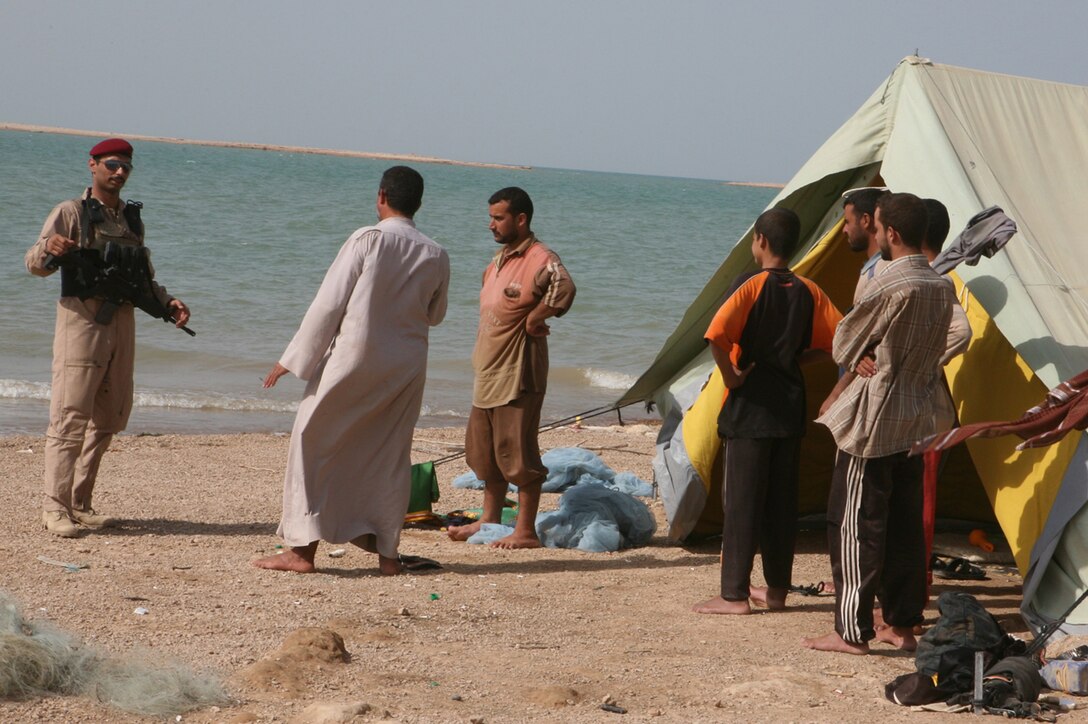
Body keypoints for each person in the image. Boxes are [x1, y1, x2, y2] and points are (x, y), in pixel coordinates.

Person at [253, 166, 450, 575]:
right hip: (406, 364)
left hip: (355, 357)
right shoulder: (436, 253)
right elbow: (436, 314)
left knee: (311, 440)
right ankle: (388, 556)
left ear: (381, 196)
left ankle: (301, 551)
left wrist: (291, 359)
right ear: (418, 203)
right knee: (388, 452)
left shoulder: (369, 238)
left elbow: (330, 303)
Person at [803, 192, 955, 655]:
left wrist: (862, 356)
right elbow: (953, 335)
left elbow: (844, 338)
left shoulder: (889, 283)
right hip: (919, 413)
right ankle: (902, 624)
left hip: (875, 416)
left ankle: (850, 630)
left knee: (855, 524)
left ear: (890, 232)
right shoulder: (941, 285)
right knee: (907, 524)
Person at [25, 138, 191, 538]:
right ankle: (55, 508)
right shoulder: (71, 212)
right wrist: (51, 247)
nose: (119, 173)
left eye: (125, 167)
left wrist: (167, 301)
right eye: (112, 165)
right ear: (93, 165)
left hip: (121, 322)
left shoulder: (130, 220)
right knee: (70, 415)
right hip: (81, 322)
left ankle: (79, 503)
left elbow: (141, 275)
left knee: (111, 416)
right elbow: (34, 263)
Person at [692, 208, 842, 615]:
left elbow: (716, 335)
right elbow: (839, 341)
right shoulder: (810, 289)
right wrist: (794, 361)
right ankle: (776, 592)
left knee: (742, 502)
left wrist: (733, 377)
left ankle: (734, 596)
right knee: (780, 504)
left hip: (751, 407)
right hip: (789, 408)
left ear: (760, 240)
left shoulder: (752, 284)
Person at [446, 187, 576, 549]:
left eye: (498, 217)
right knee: (483, 453)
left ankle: (525, 531)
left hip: (519, 372)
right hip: (487, 372)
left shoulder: (540, 257)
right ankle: (488, 521)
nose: (491, 224)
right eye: (490, 217)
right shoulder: (497, 262)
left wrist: (536, 317)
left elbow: (564, 287)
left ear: (521, 219)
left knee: (517, 452)